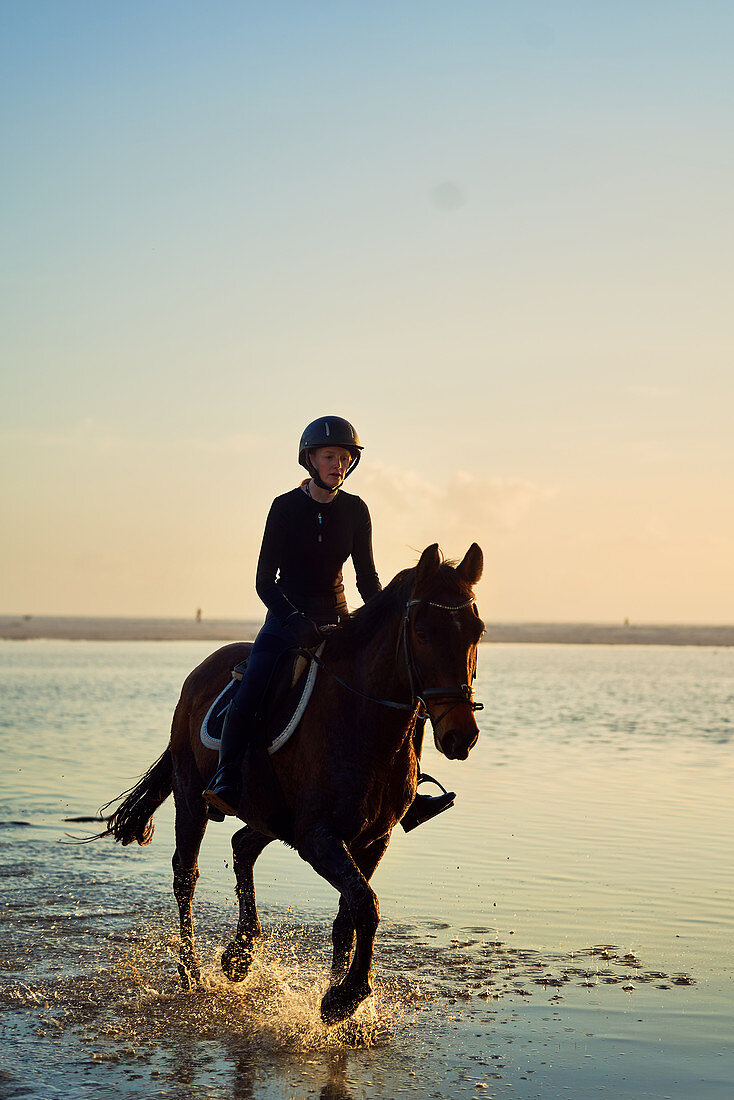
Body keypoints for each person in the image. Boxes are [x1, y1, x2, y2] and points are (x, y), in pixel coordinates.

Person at [203, 416, 455, 831]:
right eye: (330, 456)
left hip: (340, 621)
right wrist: (295, 620)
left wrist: (386, 622)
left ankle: (407, 793)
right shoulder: (284, 508)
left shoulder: (356, 510)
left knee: (402, 688)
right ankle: (226, 778)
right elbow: (264, 582)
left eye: (345, 457)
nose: (338, 464)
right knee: (252, 688)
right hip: (285, 623)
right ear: (310, 460)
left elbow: (367, 580)